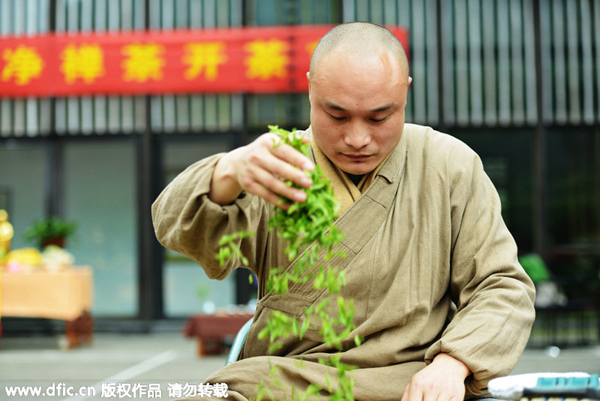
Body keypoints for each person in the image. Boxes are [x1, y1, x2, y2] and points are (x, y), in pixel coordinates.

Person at [152, 22, 535, 401]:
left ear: (405, 93)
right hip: (286, 382)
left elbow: (501, 285)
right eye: (336, 116)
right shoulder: (277, 163)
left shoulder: (449, 165)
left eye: (379, 117)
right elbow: (177, 228)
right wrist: (228, 172)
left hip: (410, 382)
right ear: (310, 90)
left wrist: (453, 363)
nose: (357, 139)